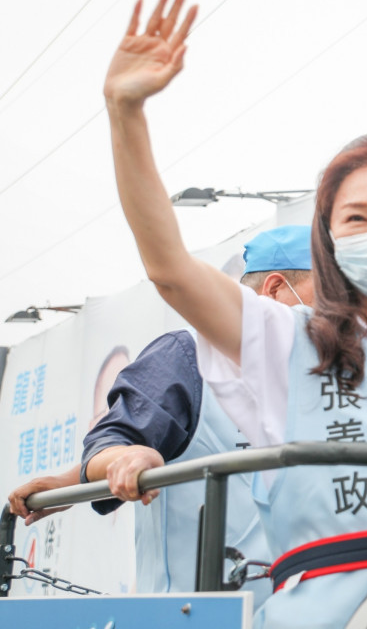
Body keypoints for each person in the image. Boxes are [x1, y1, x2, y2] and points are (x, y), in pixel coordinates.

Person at [100, 0, 367, 629]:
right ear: (329, 235)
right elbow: (170, 270)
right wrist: (126, 113)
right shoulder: (282, 342)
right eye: (357, 218)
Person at [6, 225, 315, 608]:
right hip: (203, 614)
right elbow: (122, 438)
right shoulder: (188, 356)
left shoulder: (336, 373)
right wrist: (121, 461)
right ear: (274, 289)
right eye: (332, 296)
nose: (345, 314)